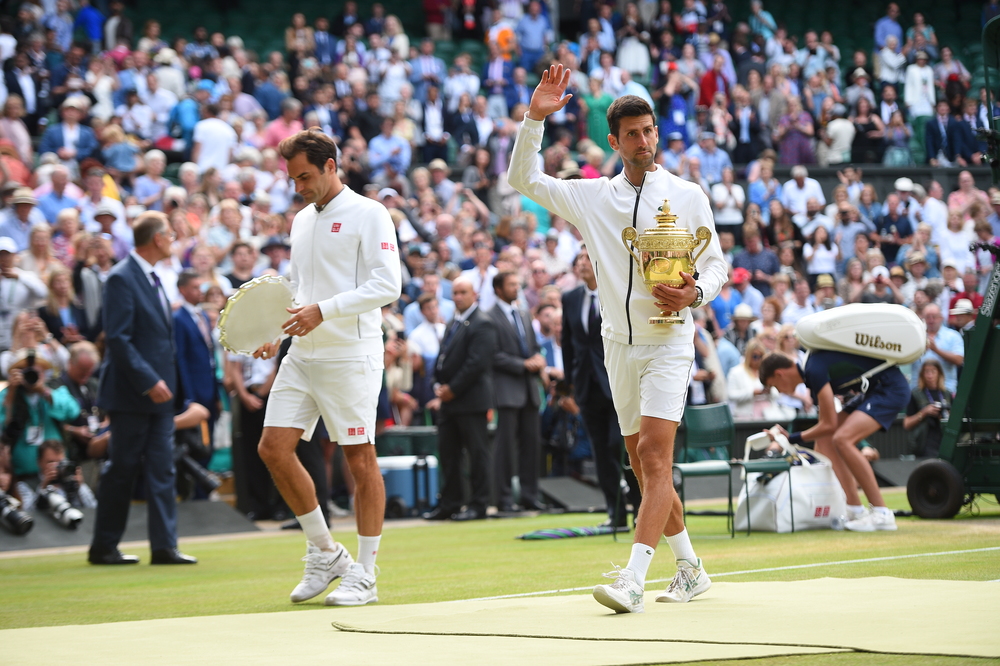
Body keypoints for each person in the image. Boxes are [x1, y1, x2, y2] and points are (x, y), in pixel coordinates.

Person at [508, 65, 729, 613]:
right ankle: (691, 569)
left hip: (670, 341)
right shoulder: (592, 197)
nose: (644, 141)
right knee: (643, 464)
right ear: (614, 142)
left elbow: (717, 266)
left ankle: (633, 578)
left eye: (649, 130)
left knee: (654, 456)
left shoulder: (688, 195)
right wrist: (534, 119)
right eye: (632, 134)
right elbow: (523, 180)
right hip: (617, 346)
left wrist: (696, 293)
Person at [251, 129, 401, 606]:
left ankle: (367, 574)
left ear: (331, 166)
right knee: (273, 449)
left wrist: (324, 310)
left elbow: (388, 285)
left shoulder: (370, 213)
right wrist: (274, 330)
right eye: (293, 179)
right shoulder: (300, 220)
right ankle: (326, 553)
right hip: (302, 354)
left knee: (360, 459)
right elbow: (299, 289)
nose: (298, 187)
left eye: (305, 177)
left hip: (351, 354)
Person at [88, 212, 197, 566]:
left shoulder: (154, 276)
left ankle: (164, 546)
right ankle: (104, 546)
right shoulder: (121, 277)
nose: (173, 240)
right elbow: (118, 339)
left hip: (161, 395)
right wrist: (149, 380)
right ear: (157, 239)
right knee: (122, 468)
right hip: (131, 393)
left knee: (163, 469)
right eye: (170, 235)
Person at [760, 347, 907, 532]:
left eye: (774, 386)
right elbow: (825, 429)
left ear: (779, 374)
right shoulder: (811, 374)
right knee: (825, 441)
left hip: (889, 389)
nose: (779, 391)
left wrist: (791, 438)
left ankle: (881, 513)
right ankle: (855, 510)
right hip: (872, 391)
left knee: (842, 439)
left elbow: (829, 424)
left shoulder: (813, 370)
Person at [562, 247, 641, 529]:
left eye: (587, 258)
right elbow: (568, 343)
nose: (582, 263)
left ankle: (640, 508)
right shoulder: (570, 298)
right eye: (579, 260)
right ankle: (615, 513)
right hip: (587, 387)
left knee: (621, 446)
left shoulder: (617, 291)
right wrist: (570, 385)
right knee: (600, 451)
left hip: (617, 382)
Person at [423, 276, 496, 521]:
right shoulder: (454, 322)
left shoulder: (482, 322)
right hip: (449, 401)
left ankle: (478, 504)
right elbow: (442, 358)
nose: (458, 297)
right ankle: (450, 503)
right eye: (454, 293)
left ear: (474, 294)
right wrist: (437, 384)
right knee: (448, 454)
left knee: (477, 454)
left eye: (463, 292)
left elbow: (477, 363)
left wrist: (452, 389)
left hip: (471, 400)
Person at [488, 270, 545, 513]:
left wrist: (538, 359)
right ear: (498, 289)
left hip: (529, 390)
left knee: (531, 446)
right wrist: (523, 364)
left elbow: (533, 346)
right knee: (505, 449)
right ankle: (503, 499)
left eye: (517, 284)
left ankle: (529, 496)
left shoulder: (523, 313)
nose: (516, 288)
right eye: (511, 284)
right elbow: (492, 355)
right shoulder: (489, 317)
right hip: (506, 390)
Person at [903, 358, 951, 458]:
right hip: (924, 441)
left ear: (939, 374)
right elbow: (907, 424)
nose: (930, 375)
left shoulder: (947, 394)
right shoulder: (916, 394)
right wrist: (924, 412)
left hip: (944, 439)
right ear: (922, 375)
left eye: (933, 371)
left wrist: (944, 415)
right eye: (927, 372)